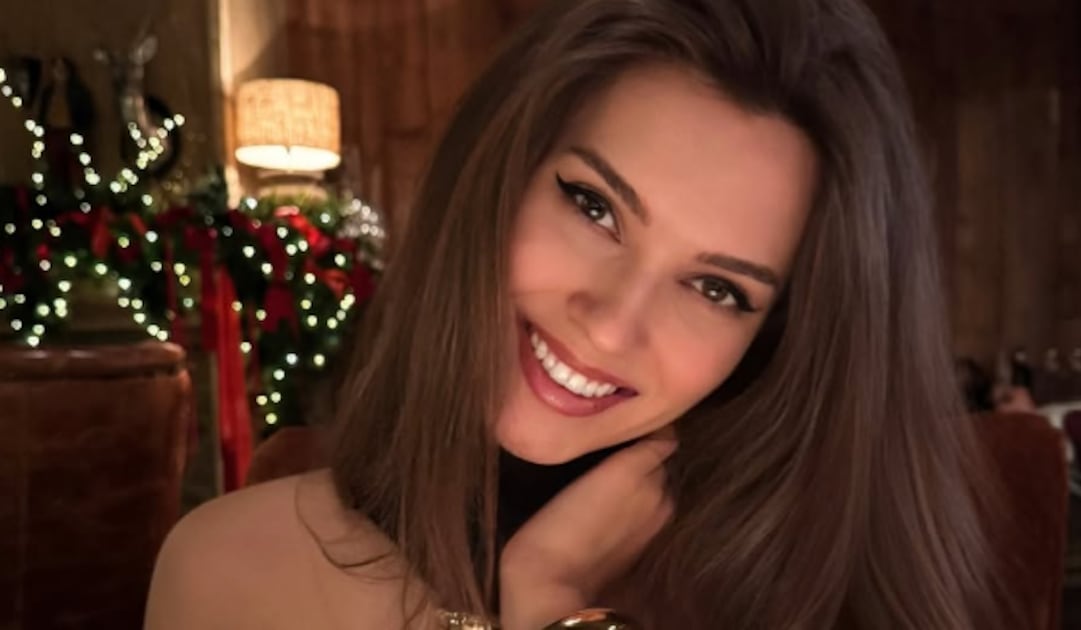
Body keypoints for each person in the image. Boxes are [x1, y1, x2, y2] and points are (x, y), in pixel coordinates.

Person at [145, 1, 1004, 628]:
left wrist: (554, 603)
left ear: (778, 340)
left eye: (717, 289)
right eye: (594, 207)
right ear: (500, 172)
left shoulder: (821, 598)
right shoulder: (229, 568)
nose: (612, 325)